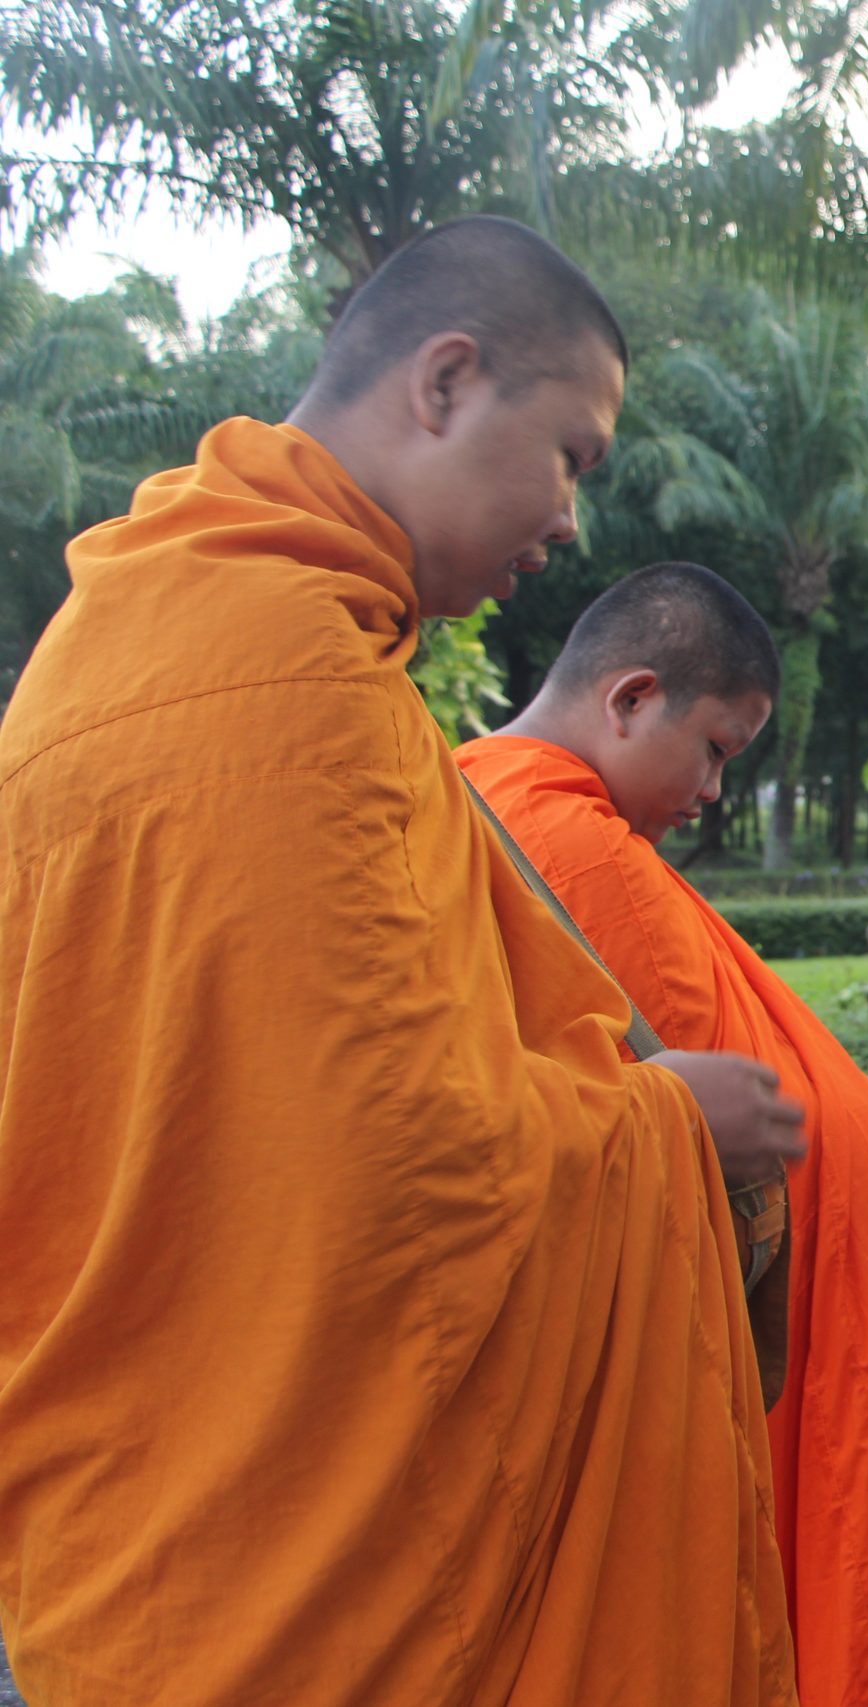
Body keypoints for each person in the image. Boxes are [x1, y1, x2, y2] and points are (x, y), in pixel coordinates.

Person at [0, 218, 800, 1706]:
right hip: (284, 1574)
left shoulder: (121, 624)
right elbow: (393, 1166)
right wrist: (667, 1121)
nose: (569, 520)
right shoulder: (286, 678)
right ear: (445, 382)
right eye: (571, 455)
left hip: (127, 1524)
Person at [454, 561, 868, 1707]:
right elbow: (756, 1119)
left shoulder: (475, 794)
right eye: (716, 749)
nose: (714, 791)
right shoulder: (568, 841)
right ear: (631, 699)